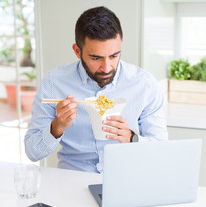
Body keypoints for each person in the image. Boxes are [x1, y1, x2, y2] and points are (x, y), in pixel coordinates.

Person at [24, 6, 168, 173]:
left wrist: (132, 138)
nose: (106, 67)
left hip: (126, 178)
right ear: (77, 51)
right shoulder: (54, 83)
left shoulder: (144, 84)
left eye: (114, 56)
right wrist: (56, 127)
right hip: (72, 179)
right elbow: (32, 153)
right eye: (96, 58)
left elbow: (161, 151)